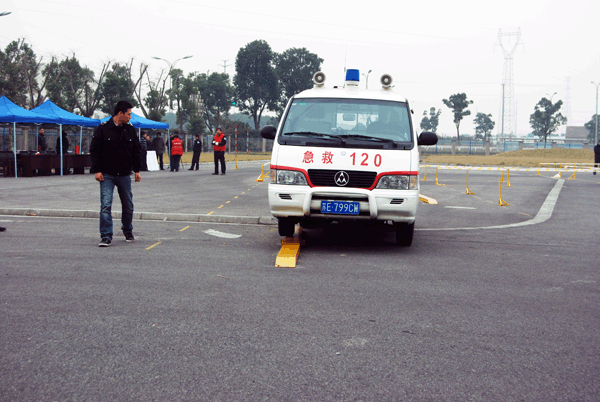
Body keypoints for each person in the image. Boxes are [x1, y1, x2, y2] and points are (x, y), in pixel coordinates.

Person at [90, 100, 142, 247]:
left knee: (128, 205)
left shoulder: (130, 130)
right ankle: (106, 235)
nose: (130, 117)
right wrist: (97, 170)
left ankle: (128, 230)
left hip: (125, 174)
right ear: (120, 113)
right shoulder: (103, 129)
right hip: (107, 174)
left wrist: (137, 170)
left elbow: (136, 151)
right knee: (106, 205)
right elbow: (94, 150)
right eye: (129, 114)